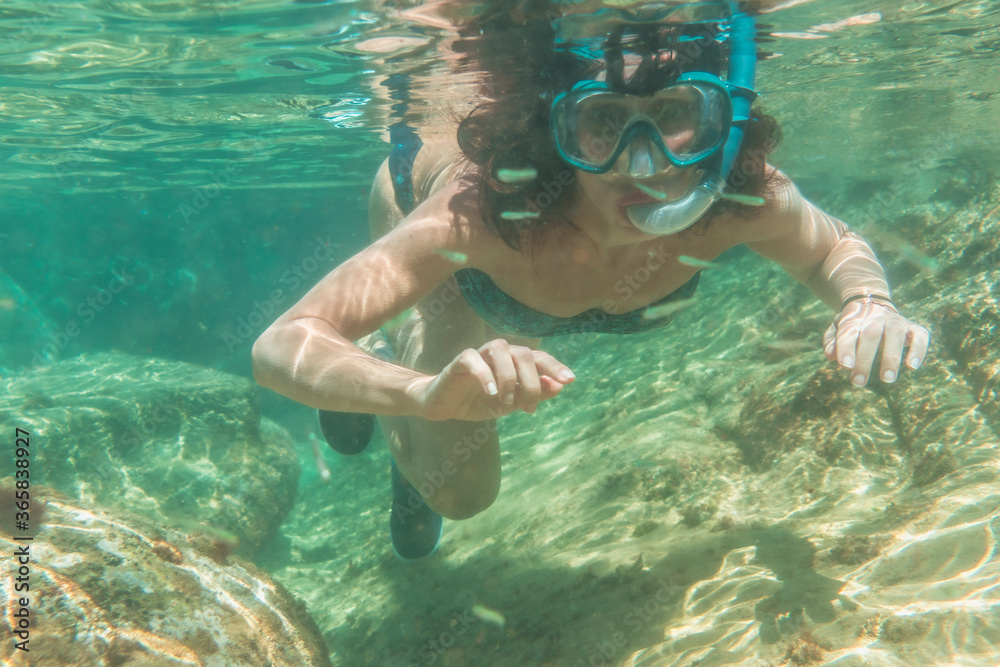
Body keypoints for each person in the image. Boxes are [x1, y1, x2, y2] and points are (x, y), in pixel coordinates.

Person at [252, 0, 930, 560]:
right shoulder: (480, 213)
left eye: (674, 115)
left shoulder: (738, 197)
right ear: (557, 132)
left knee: (445, 474)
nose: (644, 165)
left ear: (719, 123)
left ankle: (382, 407)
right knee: (461, 492)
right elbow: (283, 345)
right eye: (602, 123)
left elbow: (831, 248)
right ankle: (377, 371)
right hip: (431, 228)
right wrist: (423, 393)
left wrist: (869, 300)